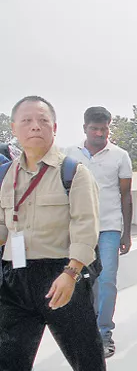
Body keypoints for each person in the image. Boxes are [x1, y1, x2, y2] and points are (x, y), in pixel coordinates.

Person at [0, 96, 105, 370]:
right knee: (9, 361)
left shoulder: (73, 173)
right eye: (26, 121)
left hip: (62, 277)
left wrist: (70, 275)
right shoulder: (5, 176)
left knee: (87, 360)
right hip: (15, 279)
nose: (35, 127)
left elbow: (86, 228)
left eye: (43, 121)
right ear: (14, 128)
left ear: (54, 127)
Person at [65, 106, 133, 358]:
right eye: (94, 128)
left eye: (104, 129)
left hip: (110, 227)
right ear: (85, 128)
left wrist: (126, 234)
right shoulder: (68, 155)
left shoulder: (120, 155)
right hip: (78, 228)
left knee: (106, 280)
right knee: (82, 282)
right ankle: (85, 331)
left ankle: (104, 332)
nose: (99, 133)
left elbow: (125, 194)